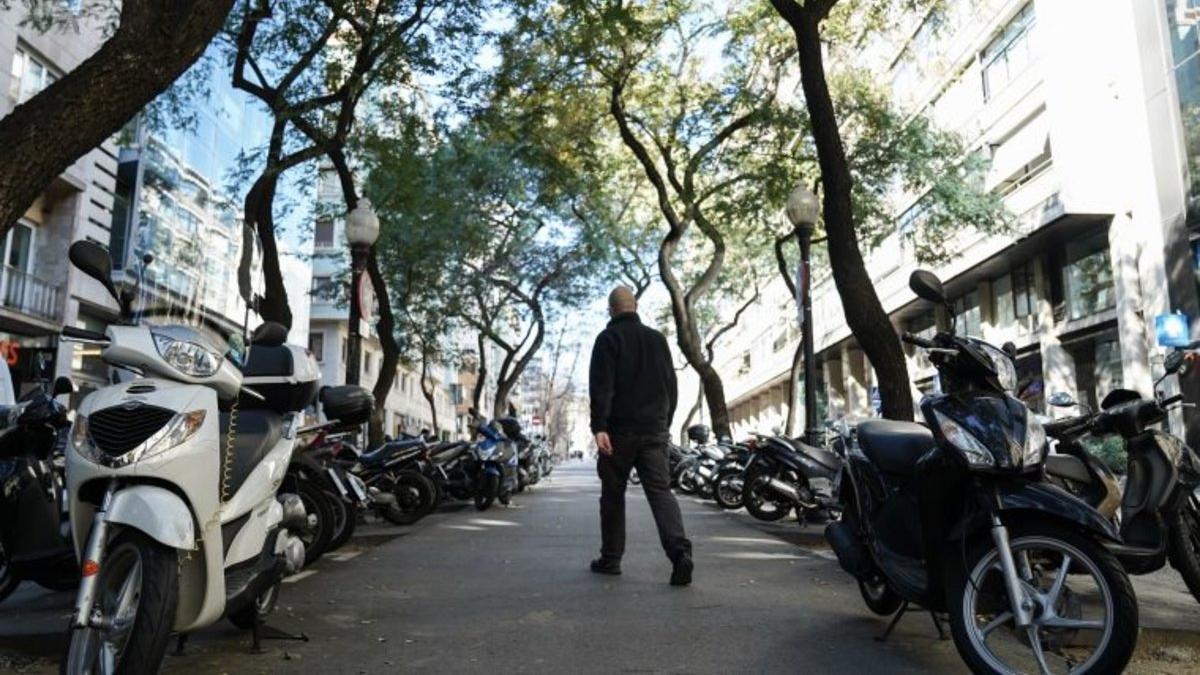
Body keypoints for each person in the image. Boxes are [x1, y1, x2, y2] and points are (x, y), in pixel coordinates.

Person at [588, 286, 693, 586]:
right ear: (635, 307)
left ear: (611, 310)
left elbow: (602, 388)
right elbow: (670, 387)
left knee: (612, 495)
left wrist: (600, 427)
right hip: (653, 432)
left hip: (619, 434)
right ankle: (680, 554)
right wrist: (664, 423)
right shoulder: (657, 340)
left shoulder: (608, 339)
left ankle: (611, 558)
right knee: (661, 493)